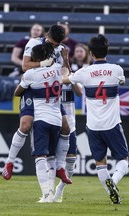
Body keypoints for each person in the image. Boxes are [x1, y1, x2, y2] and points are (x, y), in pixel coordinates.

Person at [63, 34, 129, 204]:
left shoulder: (84, 72)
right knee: (123, 159)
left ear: (90, 53)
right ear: (107, 51)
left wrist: (65, 63)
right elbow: (122, 82)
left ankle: (112, 193)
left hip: (93, 125)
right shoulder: (116, 69)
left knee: (100, 162)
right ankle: (113, 182)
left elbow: (65, 79)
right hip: (112, 123)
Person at [2, 25, 72, 185]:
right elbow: (25, 66)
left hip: (50, 92)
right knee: (25, 125)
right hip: (32, 88)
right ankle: (9, 162)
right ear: (47, 35)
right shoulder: (33, 43)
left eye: (57, 44)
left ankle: (60, 168)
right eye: (53, 43)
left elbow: (65, 73)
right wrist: (42, 65)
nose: (54, 46)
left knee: (66, 127)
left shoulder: (61, 49)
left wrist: (66, 60)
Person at [14, 43, 66, 203]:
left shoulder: (31, 74)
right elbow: (66, 72)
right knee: (51, 157)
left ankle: (46, 195)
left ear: (36, 58)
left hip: (41, 119)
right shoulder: (58, 68)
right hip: (57, 119)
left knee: (40, 157)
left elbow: (17, 92)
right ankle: (50, 193)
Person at [53, 44, 91, 203]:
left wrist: (69, 74)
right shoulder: (49, 74)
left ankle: (59, 190)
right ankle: (47, 191)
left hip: (70, 124)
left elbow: (79, 92)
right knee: (49, 159)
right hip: (52, 122)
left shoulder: (71, 75)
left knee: (71, 162)